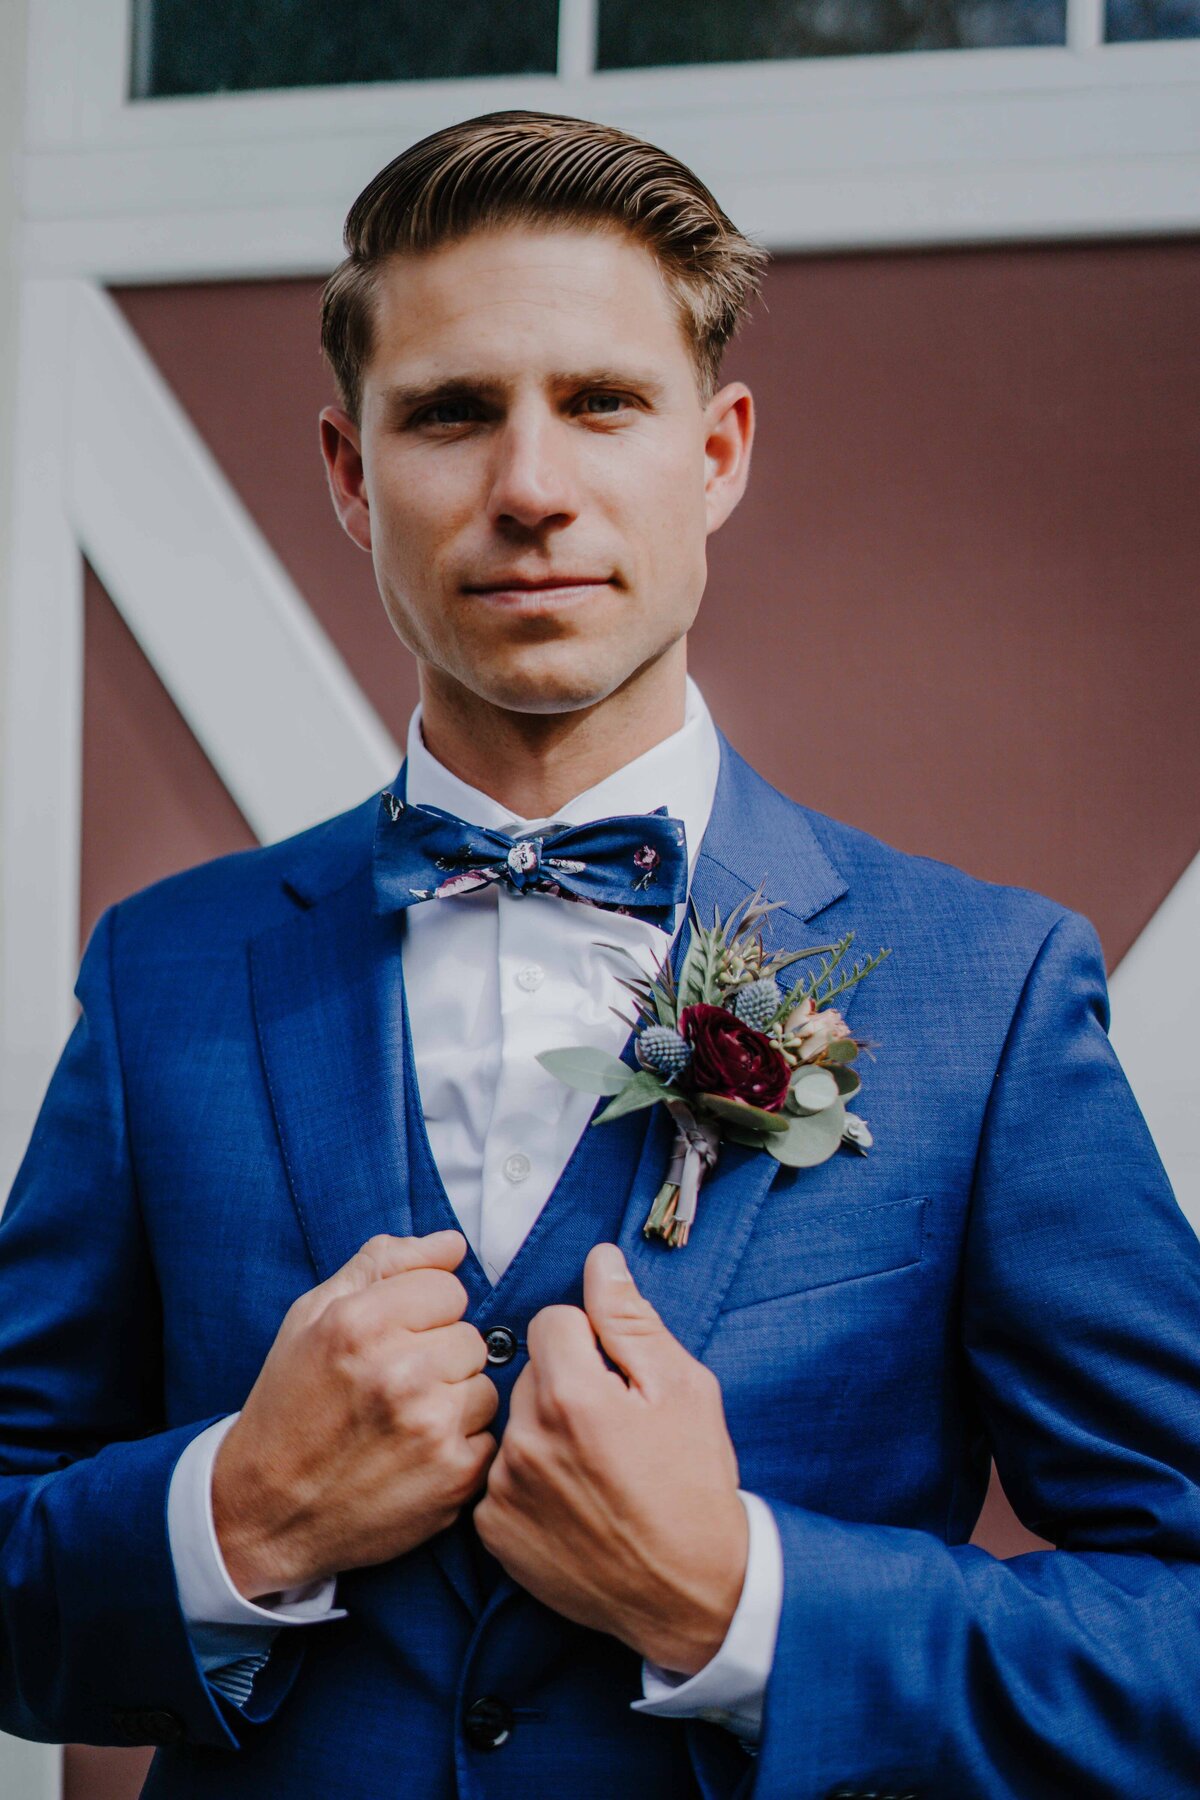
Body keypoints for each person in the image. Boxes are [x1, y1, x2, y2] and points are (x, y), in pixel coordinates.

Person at [1, 109, 1198, 1800]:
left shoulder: (985, 997)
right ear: (351, 475)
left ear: (717, 453)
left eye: (603, 404)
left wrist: (746, 1605)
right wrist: (228, 1517)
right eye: (451, 413)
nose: (532, 489)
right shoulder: (161, 979)